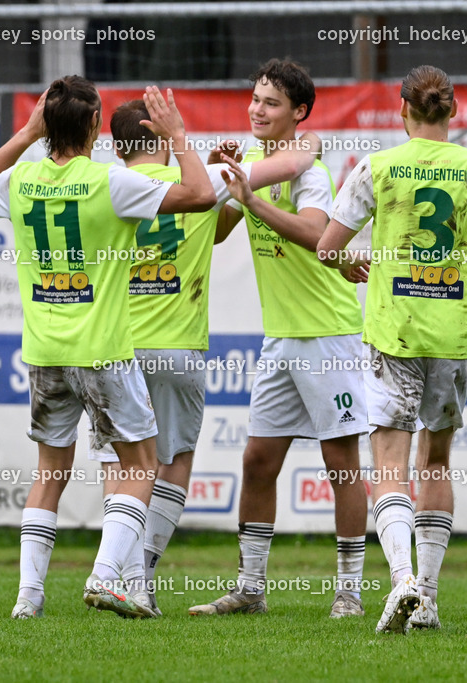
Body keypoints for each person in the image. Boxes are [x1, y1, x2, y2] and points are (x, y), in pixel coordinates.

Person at [0, 76, 218, 619]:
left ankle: (27, 599)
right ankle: (107, 577)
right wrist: (177, 137)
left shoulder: (24, 178)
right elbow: (199, 195)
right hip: (100, 348)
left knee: (50, 470)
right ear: (97, 126)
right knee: (143, 461)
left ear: (46, 126)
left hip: (43, 350)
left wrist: (26, 135)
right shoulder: (109, 182)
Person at [90, 100, 322, 616]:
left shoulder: (102, 185)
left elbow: (217, 227)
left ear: (115, 144)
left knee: (119, 461)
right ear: (163, 135)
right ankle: (142, 576)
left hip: (115, 347)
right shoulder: (201, 183)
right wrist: (309, 144)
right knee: (173, 462)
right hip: (179, 348)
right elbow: (286, 166)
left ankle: (119, 576)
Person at [317, 65, 467, 633]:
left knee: (388, 462)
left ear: (402, 108)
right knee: (435, 459)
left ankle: (401, 578)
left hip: (395, 331)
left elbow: (328, 247)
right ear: (452, 111)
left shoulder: (376, 167)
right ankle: (426, 598)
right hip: (455, 333)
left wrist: (350, 261)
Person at [189, 58, 370, 620]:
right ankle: (250, 588)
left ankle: (349, 592)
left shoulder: (308, 171)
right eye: (255, 98)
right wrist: (229, 188)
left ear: (299, 114)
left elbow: (318, 235)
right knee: (258, 461)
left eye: (271, 103)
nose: (257, 109)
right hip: (281, 341)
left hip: (327, 337)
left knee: (341, 466)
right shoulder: (258, 164)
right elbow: (219, 234)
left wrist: (250, 197)